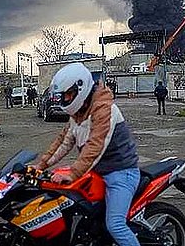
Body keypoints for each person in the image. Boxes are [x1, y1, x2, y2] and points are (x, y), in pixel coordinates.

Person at [34, 63, 140, 246]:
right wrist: (40, 166)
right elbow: (64, 141)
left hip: (121, 173)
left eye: (68, 94)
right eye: (63, 96)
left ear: (80, 89)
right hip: (96, 172)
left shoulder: (105, 110)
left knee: (115, 225)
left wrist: (72, 173)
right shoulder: (78, 113)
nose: (65, 99)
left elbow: (95, 146)